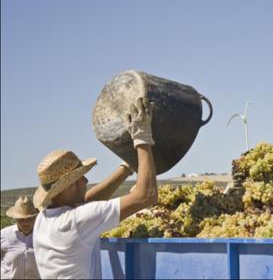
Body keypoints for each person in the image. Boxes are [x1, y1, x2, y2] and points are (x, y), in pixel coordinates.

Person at [32, 97, 158, 279]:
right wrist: (142, 139)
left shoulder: (43, 218)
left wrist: (127, 167)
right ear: (68, 187)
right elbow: (146, 196)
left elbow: (88, 201)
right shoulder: (77, 222)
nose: (86, 180)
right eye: (80, 177)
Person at [1, 196, 40, 279]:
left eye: (29, 219)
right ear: (15, 219)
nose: (26, 223)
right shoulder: (4, 235)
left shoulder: (42, 235)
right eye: (21, 219)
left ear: (35, 217)